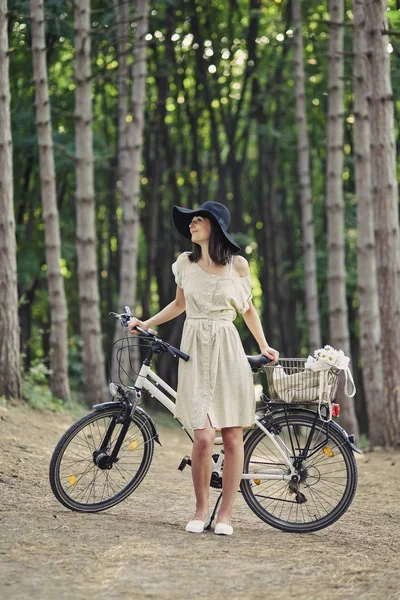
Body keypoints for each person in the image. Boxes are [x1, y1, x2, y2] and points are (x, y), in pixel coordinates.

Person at [128, 201, 279, 536]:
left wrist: (263, 344)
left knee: (232, 435)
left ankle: (225, 514)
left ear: (216, 227)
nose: (191, 225)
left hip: (228, 349)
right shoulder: (185, 263)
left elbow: (248, 310)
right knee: (203, 437)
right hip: (196, 349)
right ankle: (200, 509)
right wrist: (146, 323)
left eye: (198, 220)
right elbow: (180, 305)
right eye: (191, 221)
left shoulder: (238, 266)